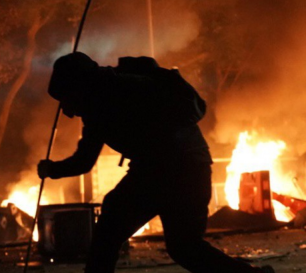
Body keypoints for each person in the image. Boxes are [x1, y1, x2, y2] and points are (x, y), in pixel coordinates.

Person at [38, 52, 275, 273]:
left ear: (79, 87)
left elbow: (84, 161)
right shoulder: (98, 105)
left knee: (118, 232)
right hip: (180, 167)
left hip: (173, 170)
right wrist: (53, 169)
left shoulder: (123, 91)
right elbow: (84, 161)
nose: (67, 110)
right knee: (183, 247)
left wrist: (52, 169)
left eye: (66, 99)